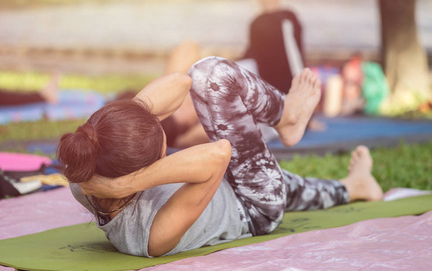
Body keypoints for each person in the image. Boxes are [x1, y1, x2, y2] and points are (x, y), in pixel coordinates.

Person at [57, 57, 383, 257]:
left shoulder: (86, 168)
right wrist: (126, 183)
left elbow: (180, 82)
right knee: (211, 74)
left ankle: (355, 185)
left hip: (233, 187)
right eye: (162, 150)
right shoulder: (147, 235)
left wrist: (134, 113)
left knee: (290, 186)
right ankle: (286, 116)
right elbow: (219, 154)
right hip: (254, 208)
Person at [239, 0, 306, 94]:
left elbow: (294, 46)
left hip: (289, 71)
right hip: (270, 73)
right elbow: (254, 49)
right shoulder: (257, 22)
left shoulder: (288, 17)